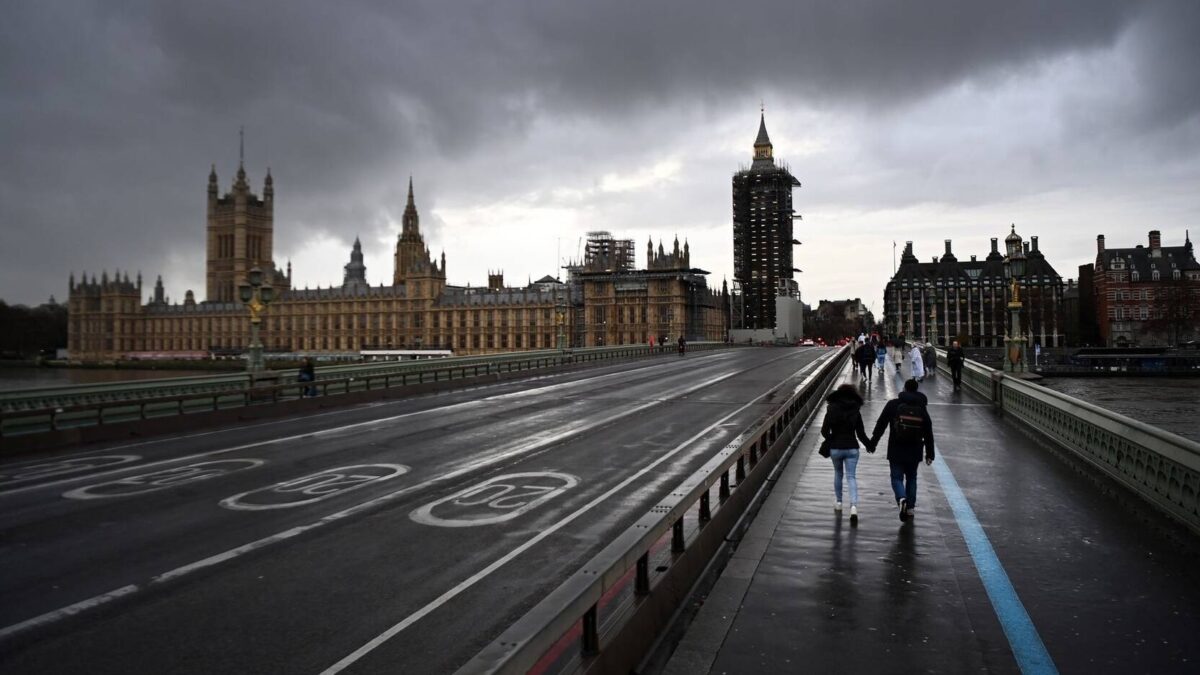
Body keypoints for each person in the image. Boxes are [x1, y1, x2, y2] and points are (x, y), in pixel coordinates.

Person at [870, 379, 935, 522]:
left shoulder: (893, 404)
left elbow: (881, 424)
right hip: (915, 449)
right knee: (912, 477)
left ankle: (901, 498)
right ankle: (910, 508)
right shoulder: (921, 408)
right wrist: (930, 454)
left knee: (896, 478)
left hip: (896, 448)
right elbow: (928, 431)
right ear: (917, 390)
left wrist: (872, 443)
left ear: (904, 389)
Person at [821, 384, 875, 524]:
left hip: (836, 448)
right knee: (851, 477)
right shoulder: (855, 409)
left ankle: (839, 503)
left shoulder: (831, 409)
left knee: (838, 474)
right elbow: (861, 433)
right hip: (852, 447)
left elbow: (824, 431)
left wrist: (831, 438)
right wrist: (870, 445)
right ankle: (853, 507)